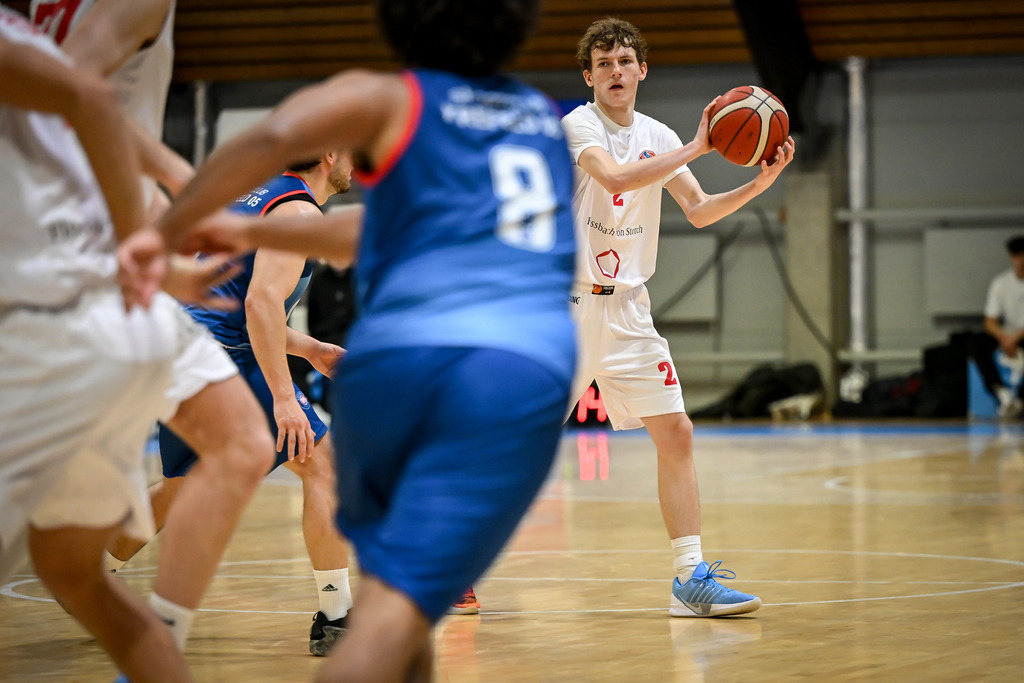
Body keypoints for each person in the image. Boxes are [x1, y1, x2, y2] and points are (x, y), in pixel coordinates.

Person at [159, 0, 577, 679]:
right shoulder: (546, 122)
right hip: (510, 366)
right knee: (392, 619)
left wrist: (177, 230)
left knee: (393, 601)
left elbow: (273, 143)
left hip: (389, 363)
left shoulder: (383, 99)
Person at [29, 0, 277, 651]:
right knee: (66, 557)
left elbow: (74, 88)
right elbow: (75, 87)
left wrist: (171, 189)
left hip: (85, 260)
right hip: (70, 267)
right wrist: (158, 223)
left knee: (71, 564)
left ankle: (156, 643)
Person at [562, 17, 795, 617]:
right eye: (604, 63)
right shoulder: (579, 124)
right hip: (566, 307)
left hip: (630, 309)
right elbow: (612, 176)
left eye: (625, 61)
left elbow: (698, 209)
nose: (616, 71)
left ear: (643, 70)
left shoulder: (659, 135)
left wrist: (761, 180)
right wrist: (698, 146)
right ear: (589, 75)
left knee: (678, 432)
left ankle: (689, 577)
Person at [107, 153, 357, 656]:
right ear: (329, 153)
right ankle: (339, 618)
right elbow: (259, 305)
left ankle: (92, 573)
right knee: (322, 464)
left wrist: (312, 349)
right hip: (214, 358)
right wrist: (285, 397)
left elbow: (234, 303)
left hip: (176, 347)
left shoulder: (256, 193)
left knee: (183, 487)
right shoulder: (300, 213)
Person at [968, 235, 1024, 418]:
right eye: (1016, 256)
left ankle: (1021, 398)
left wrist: (1016, 337)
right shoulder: (1001, 283)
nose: (1020, 260)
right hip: (1007, 334)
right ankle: (1001, 392)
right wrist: (1003, 336)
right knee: (977, 342)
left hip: (1021, 335)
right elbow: (989, 320)